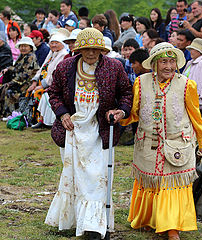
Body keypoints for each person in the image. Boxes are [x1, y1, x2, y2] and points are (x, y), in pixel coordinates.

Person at [44, 28, 133, 239]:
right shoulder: (66, 67)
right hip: (72, 129)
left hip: (100, 129)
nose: (91, 53)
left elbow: (127, 93)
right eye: (86, 49)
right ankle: (76, 220)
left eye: (95, 49)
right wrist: (62, 113)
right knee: (75, 175)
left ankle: (94, 225)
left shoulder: (114, 67)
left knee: (97, 176)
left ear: (102, 50)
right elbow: (53, 93)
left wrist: (120, 110)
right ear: (79, 49)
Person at [120, 42, 202, 240]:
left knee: (172, 184)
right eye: (163, 62)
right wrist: (120, 116)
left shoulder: (186, 85)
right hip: (148, 144)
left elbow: (196, 117)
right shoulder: (140, 82)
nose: (168, 66)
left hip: (178, 145)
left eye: (172, 62)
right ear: (154, 64)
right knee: (151, 181)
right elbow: (133, 113)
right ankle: (151, 219)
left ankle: (172, 228)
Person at [27, 30, 68, 128]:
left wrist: (42, 86)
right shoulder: (51, 53)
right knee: (30, 91)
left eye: (56, 43)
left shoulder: (63, 55)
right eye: (52, 43)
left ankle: (41, 119)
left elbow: (54, 74)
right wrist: (34, 81)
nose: (53, 45)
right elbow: (42, 68)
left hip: (52, 85)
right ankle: (32, 118)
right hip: (42, 82)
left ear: (62, 44)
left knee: (39, 93)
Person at [0, 37, 39, 115]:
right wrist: (8, 69)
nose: (23, 48)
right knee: (3, 88)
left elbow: (25, 75)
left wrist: (11, 83)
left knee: (9, 90)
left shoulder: (30, 57)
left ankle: (10, 113)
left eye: (25, 46)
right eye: (21, 46)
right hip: (18, 82)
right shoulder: (22, 56)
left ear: (30, 48)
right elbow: (16, 67)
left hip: (26, 84)